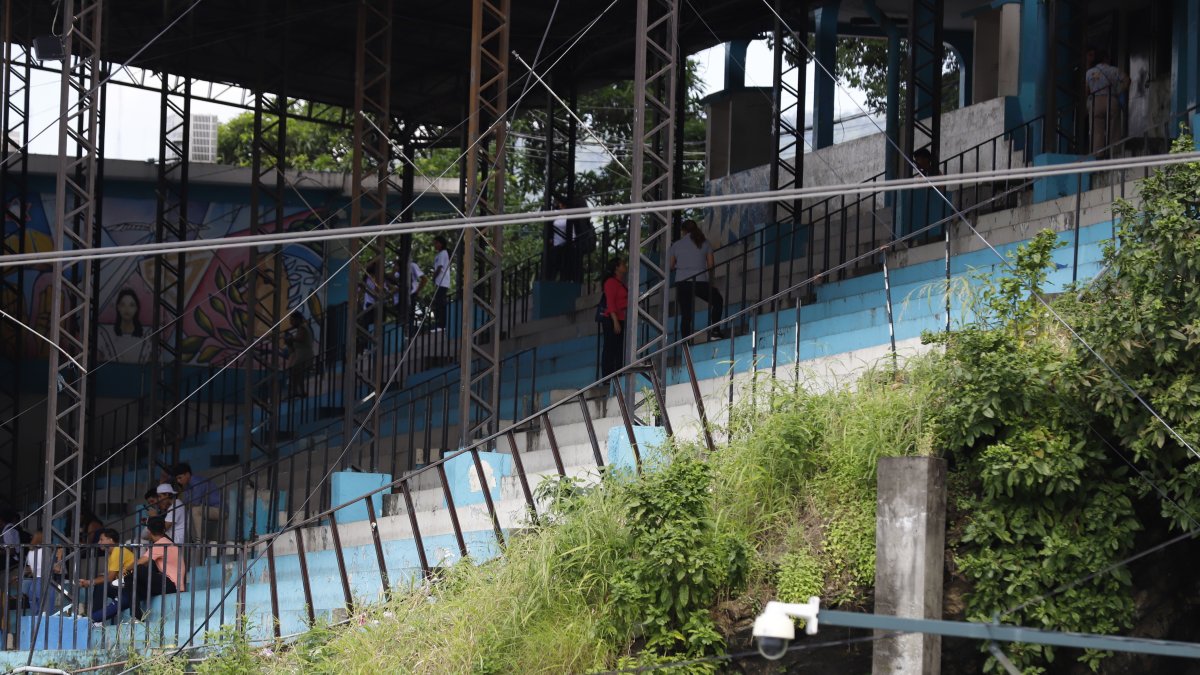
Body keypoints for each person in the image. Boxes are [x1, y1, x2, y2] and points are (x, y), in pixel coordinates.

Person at [100, 517, 185, 623]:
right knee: (132, 584)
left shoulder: (161, 544)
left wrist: (125, 570)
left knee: (139, 569)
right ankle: (136, 617)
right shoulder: (166, 542)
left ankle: (125, 581)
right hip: (166, 583)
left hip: (172, 584)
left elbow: (141, 562)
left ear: (149, 531)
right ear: (163, 530)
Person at [669, 220, 726, 342]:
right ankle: (715, 331)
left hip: (682, 282)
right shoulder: (704, 243)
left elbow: (671, 265)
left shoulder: (676, 245)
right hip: (699, 280)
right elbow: (711, 265)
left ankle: (685, 342)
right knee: (717, 300)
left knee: (686, 313)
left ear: (683, 231)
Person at [81, 528, 134, 625]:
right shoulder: (113, 553)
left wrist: (89, 582)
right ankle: (95, 618)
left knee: (101, 585)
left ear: (111, 540)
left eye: (101, 539)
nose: (99, 542)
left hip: (128, 587)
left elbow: (109, 578)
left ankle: (95, 620)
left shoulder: (118, 550)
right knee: (101, 584)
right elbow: (111, 576)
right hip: (123, 585)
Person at [1085, 48, 1129, 157]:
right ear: (1106, 58)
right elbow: (1127, 80)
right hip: (1111, 100)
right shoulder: (1114, 70)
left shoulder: (1089, 72)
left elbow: (1086, 90)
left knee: (1096, 130)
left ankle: (1098, 154)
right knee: (1114, 128)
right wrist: (1120, 90)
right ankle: (1114, 153)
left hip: (1095, 102)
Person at [96, 288, 150, 364]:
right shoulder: (105, 334)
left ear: (137, 308)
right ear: (118, 307)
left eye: (131, 305)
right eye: (123, 304)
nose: (127, 309)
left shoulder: (147, 335)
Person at [175, 463, 221, 544]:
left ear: (188, 474)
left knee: (194, 510)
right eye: (177, 479)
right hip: (207, 509)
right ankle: (191, 540)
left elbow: (195, 503)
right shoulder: (187, 486)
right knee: (187, 511)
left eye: (180, 477)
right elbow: (186, 504)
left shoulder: (197, 482)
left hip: (219, 509)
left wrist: (186, 505)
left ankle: (200, 540)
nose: (178, 481)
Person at [600, 257, 629, 379]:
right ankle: (607, 377)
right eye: (622, 264)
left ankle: (618, 374)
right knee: (610, 348)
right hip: (612, 319)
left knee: (618, 349)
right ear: (616, 267)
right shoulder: (610, 282)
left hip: (620, 318)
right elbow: (610, 303)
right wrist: (615, 321)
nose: (625, 265)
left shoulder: (620, 283)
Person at [284, 314, 314, 398]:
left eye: (292, 320)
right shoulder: (301, 328)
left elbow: (300, 339)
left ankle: (298, 391)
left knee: (296, 372)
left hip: (304, 354)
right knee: (297, 373)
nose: (291, 323)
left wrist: (290, 338)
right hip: (301, 354)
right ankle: (298, 391)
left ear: (298, 320)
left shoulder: (302, 328)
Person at [431, 236, 451, 330]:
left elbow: (439, 268)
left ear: (441, 243)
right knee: (438, 302)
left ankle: (442, 324)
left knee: (440, 303)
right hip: (439, 282)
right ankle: (440, 323)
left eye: (436, 243)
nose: (435, 245)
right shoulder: (439, 254)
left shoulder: (443, 253)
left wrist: (434, 277)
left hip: (443, 281)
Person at [407, 258, 427, 333]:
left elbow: (424, 279)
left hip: (411, 294)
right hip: (402, 296)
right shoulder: (399, 266)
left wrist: (417, 291)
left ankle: (410, 333)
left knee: (410, 315)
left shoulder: (412, 265)